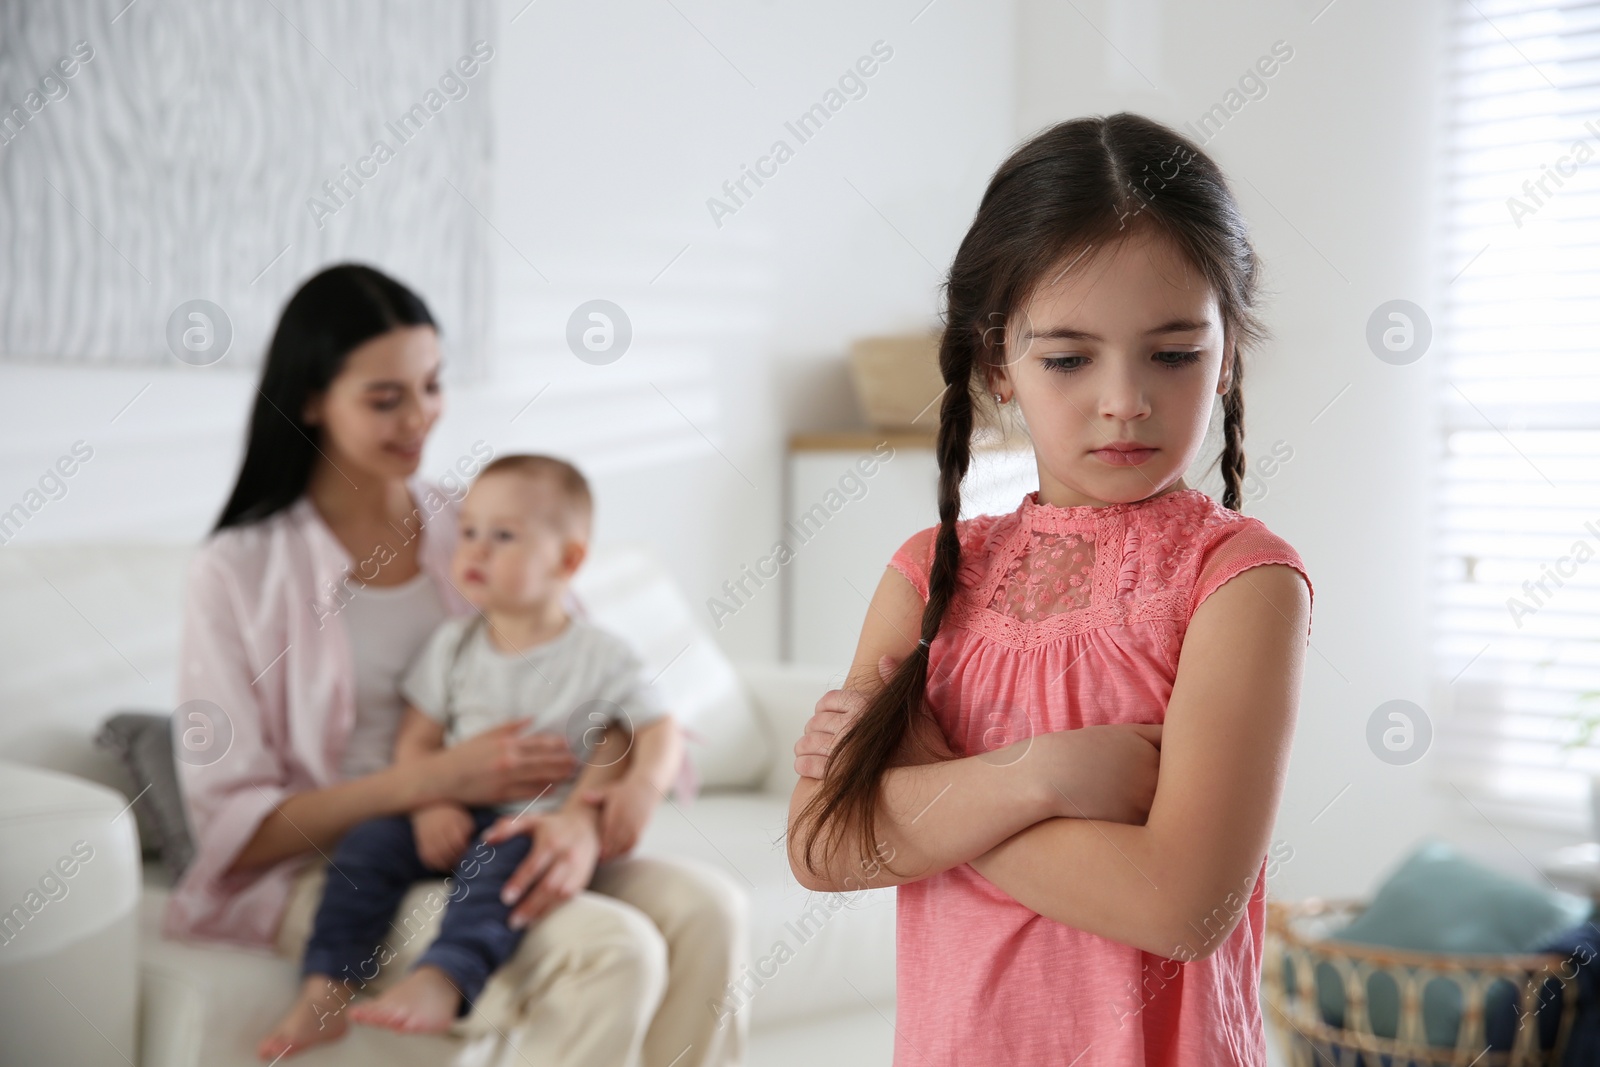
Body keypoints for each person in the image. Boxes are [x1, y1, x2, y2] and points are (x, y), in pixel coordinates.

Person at [787, 113, 1314, 1065]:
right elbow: (824, 843)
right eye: (1069, 358)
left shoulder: (1239, 581)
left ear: (1228, 349)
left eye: (1175, 352)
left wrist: (933, 784)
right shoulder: (928, 575)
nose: (1125, 399)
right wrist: (1040, 775)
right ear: (998, 362)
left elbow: (1180, 904)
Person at [167, 263, 747, 1067]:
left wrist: (579, 822)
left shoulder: (476, 523)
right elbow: (239, 825)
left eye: (432, 385)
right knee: (614, 948)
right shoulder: (237, 572)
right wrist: (437, 780)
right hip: (346, 870)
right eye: (385, 398)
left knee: (711, 906)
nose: (421, 417)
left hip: (508, 826)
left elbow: (604, 703)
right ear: (310, 400)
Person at [258, 453, 686, 1056]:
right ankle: (327, 988)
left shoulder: (602, 655)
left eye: (503, 536)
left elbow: (659, 730)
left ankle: (445, 977)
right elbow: (417, 742)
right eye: (469, 533)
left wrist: (639, 789)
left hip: (530, 827)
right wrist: (431, 803)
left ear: (568, 559)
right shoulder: (452, 646)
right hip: (448, 815)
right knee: (366, 847)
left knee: (497, 877)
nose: (476, 551)